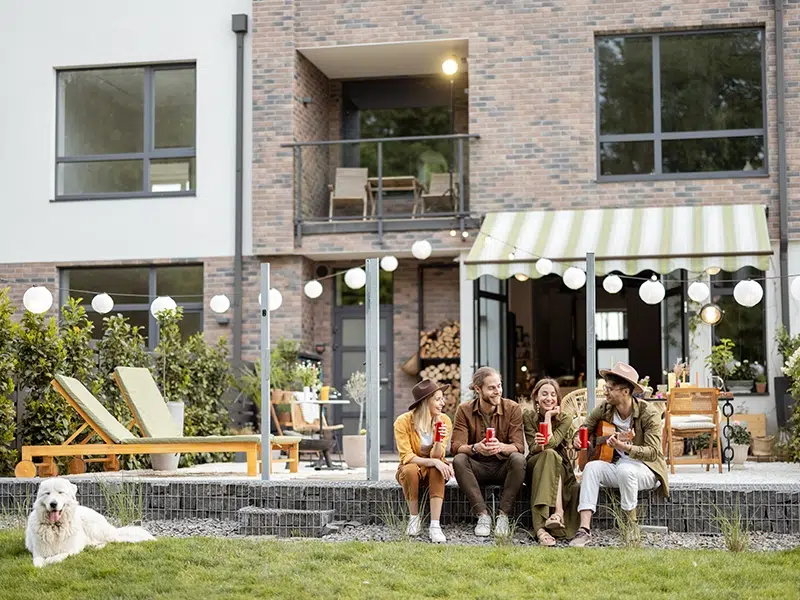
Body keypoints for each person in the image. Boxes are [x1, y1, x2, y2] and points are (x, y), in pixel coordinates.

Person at [570, 362, 669, 547]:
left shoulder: (649, 413)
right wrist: (578, 438)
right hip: (617, 466)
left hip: (647, 470)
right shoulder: (605, 408)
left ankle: (631, 525)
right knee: (591, 468)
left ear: (625, 391)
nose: (605, 392)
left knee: (626, 469)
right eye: (605, 387)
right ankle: (584, 529)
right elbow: (585, 427)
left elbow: (654, 452)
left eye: (610, 389)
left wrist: (625, 447)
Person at [451, 367, 526, 537]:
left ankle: (503, 516)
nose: (497, 391)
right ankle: (483, 516)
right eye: (492, 388)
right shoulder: (464, 410)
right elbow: (456, 446)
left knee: (518, 459)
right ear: (478, 389)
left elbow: (519, 446)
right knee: (459, 460)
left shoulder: (512, 408)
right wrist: (476, 448)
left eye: (499, 386)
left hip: (503, 468)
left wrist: (501, 447)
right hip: (477, 468)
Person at [394, 378, 455, 543]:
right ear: (426, 402)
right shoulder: (403, 422)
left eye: (442, 399)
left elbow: (437, 456)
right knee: (410, 469)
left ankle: (435, 525)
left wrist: (438, 439)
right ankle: (414, 518)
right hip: (412, 470)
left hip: (433, 471)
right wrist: (434, 462)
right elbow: (407, 457)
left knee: (437, 468)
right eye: (438, 399)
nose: (443, 403)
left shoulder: (444, 421)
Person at [523, 378, 580, 546]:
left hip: (560, 465)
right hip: (535, 463)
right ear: (536, 397)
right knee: (548, 455)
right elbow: (533, 448)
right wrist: (539, 444)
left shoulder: (565, 418)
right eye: (544, 394)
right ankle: (558, 513)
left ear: (558, 398)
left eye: (553, 395)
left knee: (552, 455)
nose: (549, 398)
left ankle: (541, 530)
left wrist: (547, 418)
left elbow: (552, 443)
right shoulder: (528, 416)